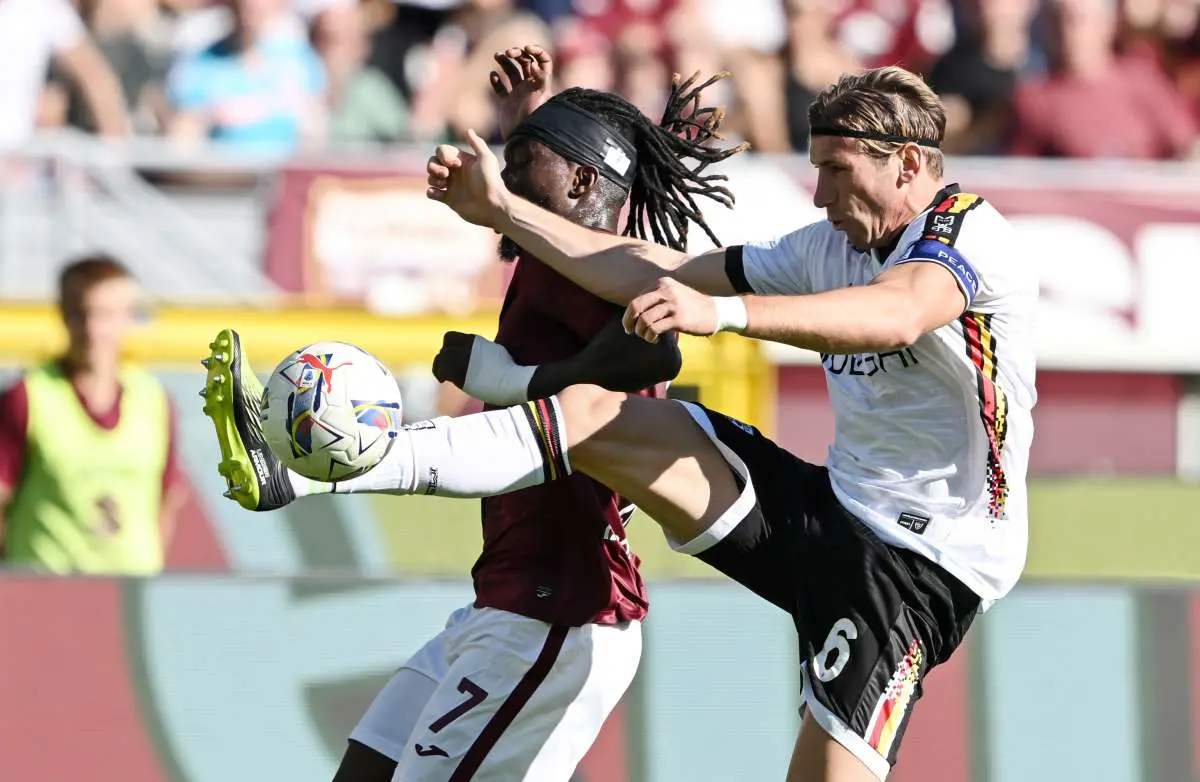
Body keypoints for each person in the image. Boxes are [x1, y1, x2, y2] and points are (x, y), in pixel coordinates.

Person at [201, 46, 744, 782]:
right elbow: (554, 218)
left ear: (584, 179)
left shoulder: (602, 263)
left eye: (521, 163)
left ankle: (296, 471)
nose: (501, 180)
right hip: (508, 602)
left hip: (561, 610)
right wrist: (531, 121)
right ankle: (297, 471)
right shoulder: (555, 257)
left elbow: (653, 353)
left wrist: (512, 379)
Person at [0, 255, 184, 574]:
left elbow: (167, 499)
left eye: (106, 314)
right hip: (47, 589)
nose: (93, 329)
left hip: (130, 590)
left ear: (128, 316)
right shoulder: (29, 397)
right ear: (64, 314)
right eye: (82, 314)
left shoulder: (153, 400)